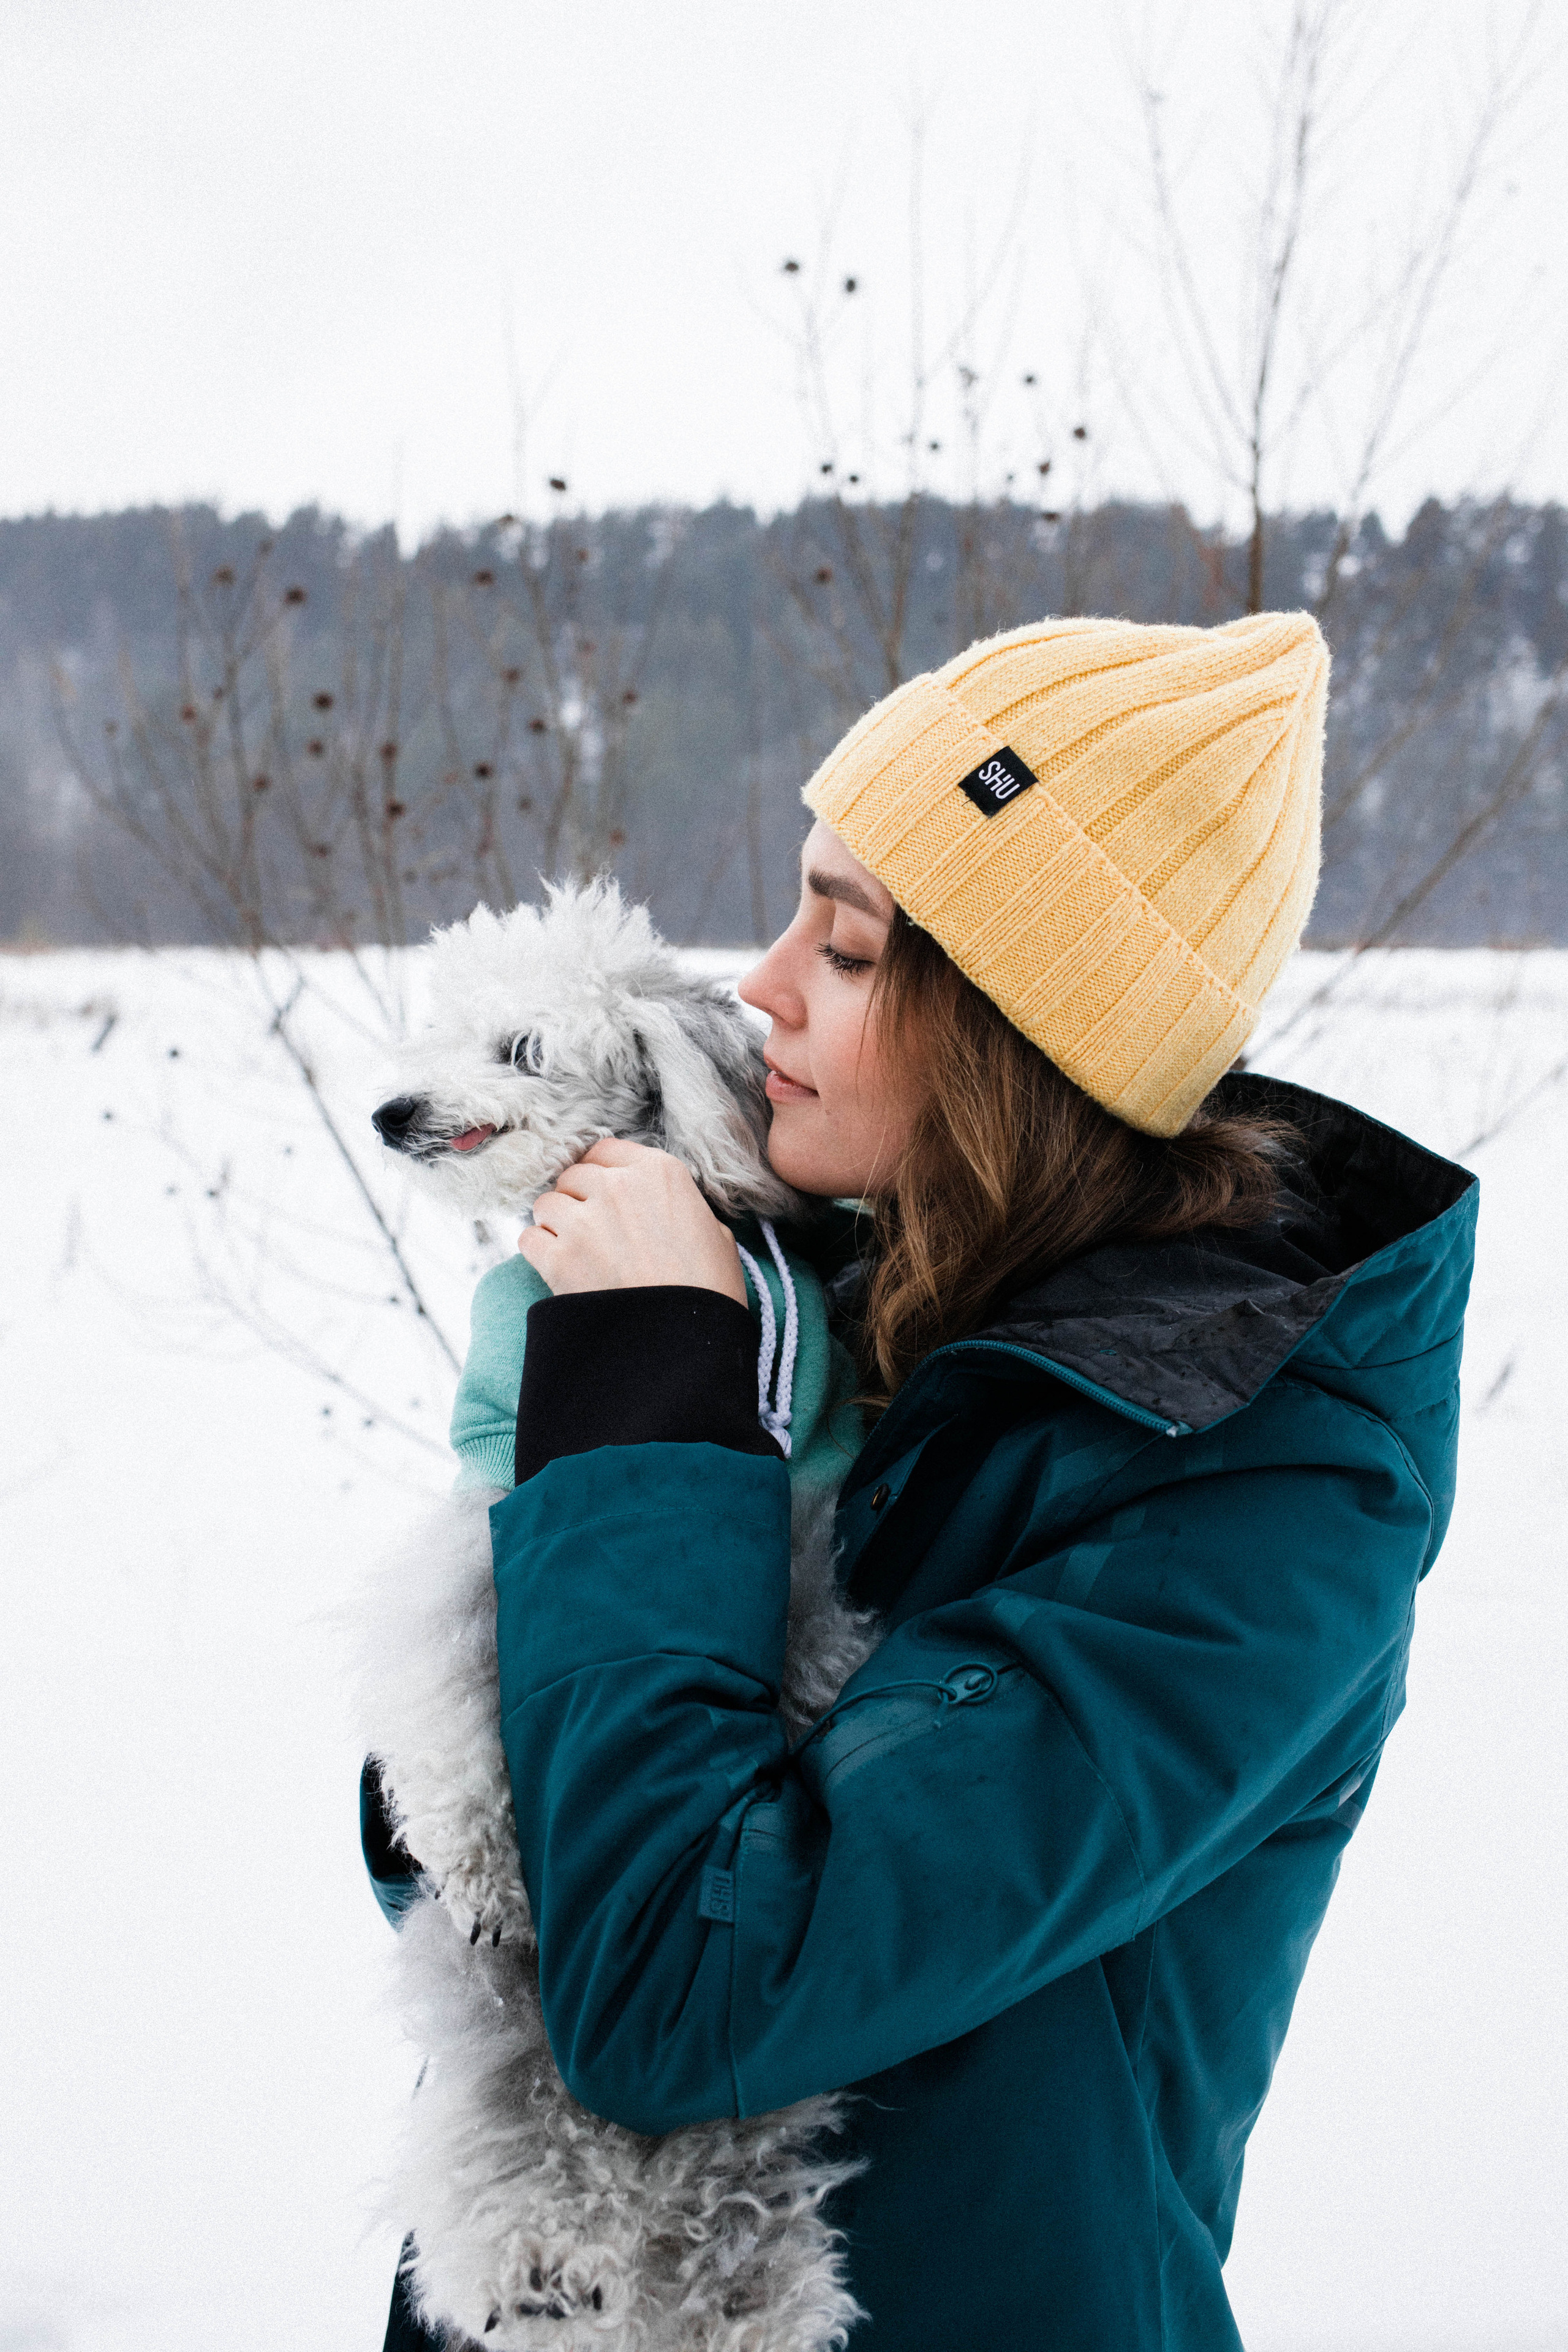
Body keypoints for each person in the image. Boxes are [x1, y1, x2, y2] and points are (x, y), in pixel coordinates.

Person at [371, 611, 1477, 2350]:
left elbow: (677, 1992)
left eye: (857, 945)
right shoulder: (840, 1316)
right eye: (800, 906)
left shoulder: (1259, 1507)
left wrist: (654, 1394)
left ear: (1028, 1029)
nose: (762, 987)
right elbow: (461, 1873)